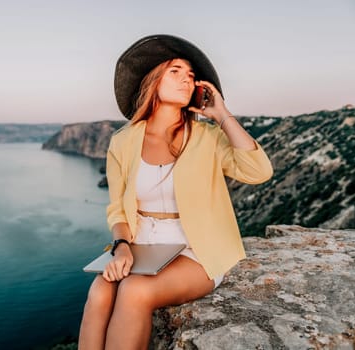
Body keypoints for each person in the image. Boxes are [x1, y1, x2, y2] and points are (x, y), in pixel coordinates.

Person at [78, 34, 273, 349]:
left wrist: (222, 116)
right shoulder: (123, 141)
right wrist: (122, 245)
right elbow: (117, 208)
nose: (187, 80)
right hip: (141, 243)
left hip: (196, 247)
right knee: (100, 292)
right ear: (152, 80)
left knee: (135, 291)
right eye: (175, 72)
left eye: (191, 76)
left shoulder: (207, 137)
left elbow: (259, 171)